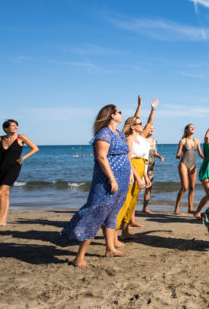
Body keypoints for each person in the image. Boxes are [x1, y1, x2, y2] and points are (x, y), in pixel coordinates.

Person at [61, 104, 131, 268]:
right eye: (119, 112)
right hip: (107, 180)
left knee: (112, 214)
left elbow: (125, 155)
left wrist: (130, 176)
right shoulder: (104, 133)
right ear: (112, 115)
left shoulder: (119, 133)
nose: (121, 114)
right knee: (96, 214)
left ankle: (110, 249)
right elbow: (101, 157)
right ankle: (79, 256)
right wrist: (112, 179)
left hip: (122, 179)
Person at [115, 97, 158, 242]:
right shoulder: (129, 139)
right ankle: (114, 234)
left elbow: (150, 122)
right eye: (139, 123)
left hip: (141, 168)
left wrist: (153, 109)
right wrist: (137, 177)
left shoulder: (142, 137)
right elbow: (128, 159)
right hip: (132, 171)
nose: (142, 124)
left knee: (133, 202)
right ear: (133, 126)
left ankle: (125, 232)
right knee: (125, 202)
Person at [0, 119, 39, 230]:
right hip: (1, 168)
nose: (16, 127)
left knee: (0, 193)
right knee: (5, 194)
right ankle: (3, 220)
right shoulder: (0, 139)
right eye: (13, 126)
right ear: (6, 128)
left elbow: (35, 148)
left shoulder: (21, 137)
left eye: (16, 126)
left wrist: (23, 158)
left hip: (14, 167)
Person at [174, 124, 201, 214]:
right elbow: (177, 155)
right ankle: (176, 207)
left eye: (194, 127)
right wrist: (179, 155)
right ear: (187, 130)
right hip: (184, 164)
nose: (193, 128)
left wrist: (208, 158)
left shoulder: (197, 141)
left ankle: (190, 208)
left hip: (193, 165)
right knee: (185, 187)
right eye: (191, 127)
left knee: (192, 188)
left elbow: (200, 154)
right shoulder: (182, 141)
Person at [142, 125, 164, 214]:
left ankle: (145, 207)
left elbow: (154, 152)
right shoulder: (142, 139)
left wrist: (159, 156)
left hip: (151, 165)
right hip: (143, 164)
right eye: (150, 128)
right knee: (138, 187)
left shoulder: (154, 140)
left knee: (149, 186)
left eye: (153, 128)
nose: (152, 129)